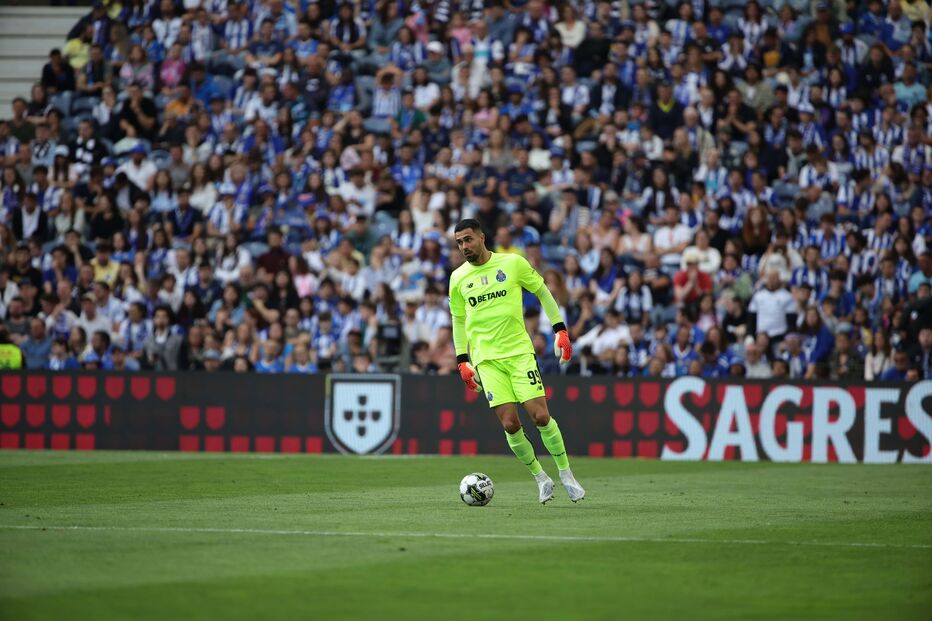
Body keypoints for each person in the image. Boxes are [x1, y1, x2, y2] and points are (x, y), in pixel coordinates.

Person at [449, 219, 584, 504]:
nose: (464, 246)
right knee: (510, 424)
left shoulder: (512, 263)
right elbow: (458, 320)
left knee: (540, 416)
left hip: (519, 353)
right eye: (459, 242)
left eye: (468, 239)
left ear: (482, 237)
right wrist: (462, 360)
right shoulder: (457, 278)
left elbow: (542, 291)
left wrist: (560, 330)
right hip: (486, 361)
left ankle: (566, 474)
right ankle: (540, 478)